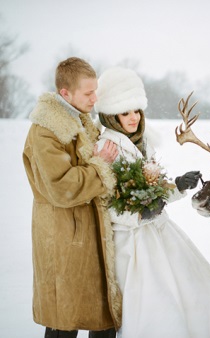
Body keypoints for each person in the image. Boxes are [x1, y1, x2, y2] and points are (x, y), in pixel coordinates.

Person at [95, 67, 210, 338]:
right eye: (125, 112)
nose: (133, 118)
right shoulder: (106, 148)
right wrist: (140, 216)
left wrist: (178, 186)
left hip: (160, 231)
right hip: (131, 244)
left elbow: (152, 193)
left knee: (195, 289)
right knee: (158, 303)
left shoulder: (143, 142)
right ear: (111, 115)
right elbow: (105, 204)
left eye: (137, 111)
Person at [23, 57, 123, 338]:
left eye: (96, 91)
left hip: (91, 235)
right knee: (63, 321)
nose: (95, 98)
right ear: (65, 93)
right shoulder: (46, 130)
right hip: (63, 237)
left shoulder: (82, 122)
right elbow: (61, 187)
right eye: (88, 93)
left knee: (102, 319)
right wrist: (100, 165)